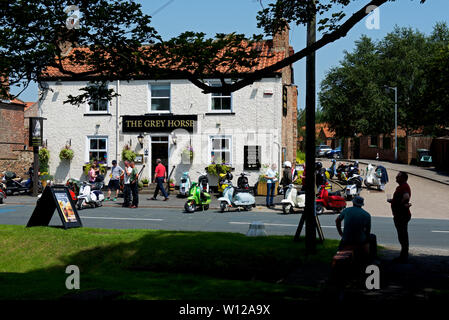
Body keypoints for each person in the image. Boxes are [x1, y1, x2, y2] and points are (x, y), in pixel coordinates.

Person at [335, 196, 377, 262]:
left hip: (346, 239)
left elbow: (337, 220)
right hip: (360, 240)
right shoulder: (366, 215)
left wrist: (341, 233)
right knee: (372, 237)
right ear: (362, 204)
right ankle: (372, 258)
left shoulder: (346, 210)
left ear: (353, 202)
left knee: (342, 244)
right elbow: (367, 231)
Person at [387, 171, 412, 263]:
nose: (396, 178)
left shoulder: (404, 186)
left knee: (403, 236)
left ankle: (404, 256)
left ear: (403, 178)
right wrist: (393, 201)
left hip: (402, 215)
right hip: (400, 214)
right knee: (402, 235)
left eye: (398, 177)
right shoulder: (401, 187)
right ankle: (403, 255)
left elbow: (406, 197)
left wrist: (400, 204)